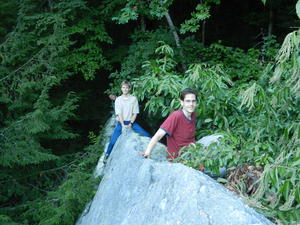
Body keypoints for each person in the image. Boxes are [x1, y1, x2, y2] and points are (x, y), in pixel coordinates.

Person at [141, 88, 197, 161]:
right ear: (182, 102)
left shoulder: (193, 115)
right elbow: (158, 135)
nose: (191, 104)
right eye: (188, 101)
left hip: (191, 155)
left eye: (193, 101)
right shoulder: (176, 116)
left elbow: (189, 138)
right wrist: (147, 152)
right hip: (177, 159)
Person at [104, 81, 150, 161]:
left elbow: (135, 113)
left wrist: (131, 123)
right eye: (123, 87)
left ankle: (148, 152)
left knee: (146, 135)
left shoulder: (134, 99)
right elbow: (119, 114)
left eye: (126, 87)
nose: (125, 89)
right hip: (121, 123)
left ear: (129, 89)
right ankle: (107, 155)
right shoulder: (118, 99)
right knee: (113, 141)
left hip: (132, 122)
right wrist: (122, 125)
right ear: (121, 88)